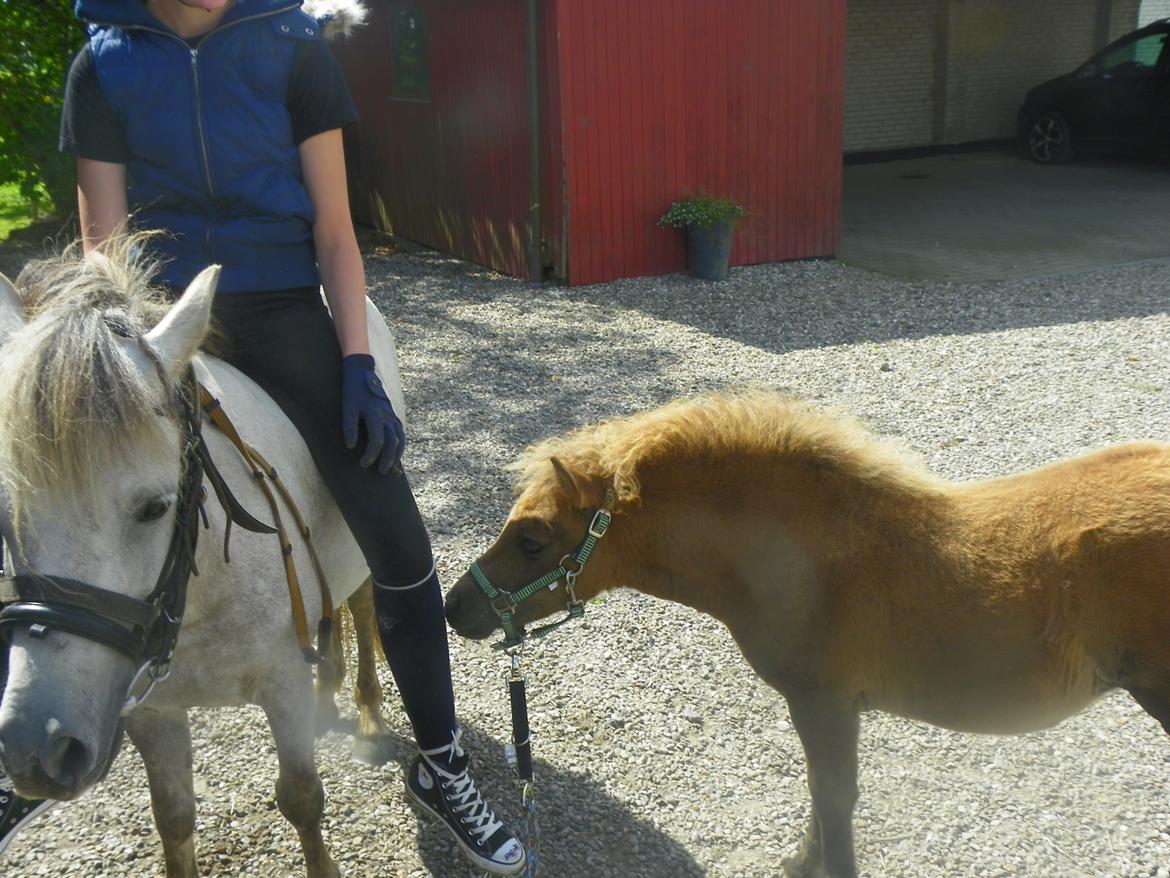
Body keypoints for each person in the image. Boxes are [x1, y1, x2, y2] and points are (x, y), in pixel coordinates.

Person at [6, 0, 526, 874]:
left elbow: (333, 228)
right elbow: (105, 241)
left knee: (397, 540)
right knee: (48, 493)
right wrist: (115, 361)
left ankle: (440, 761)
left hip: (283, 307)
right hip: (161, 317)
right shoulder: (104, 61)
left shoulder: (294, 49)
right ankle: (29, 714)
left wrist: (357, 362)